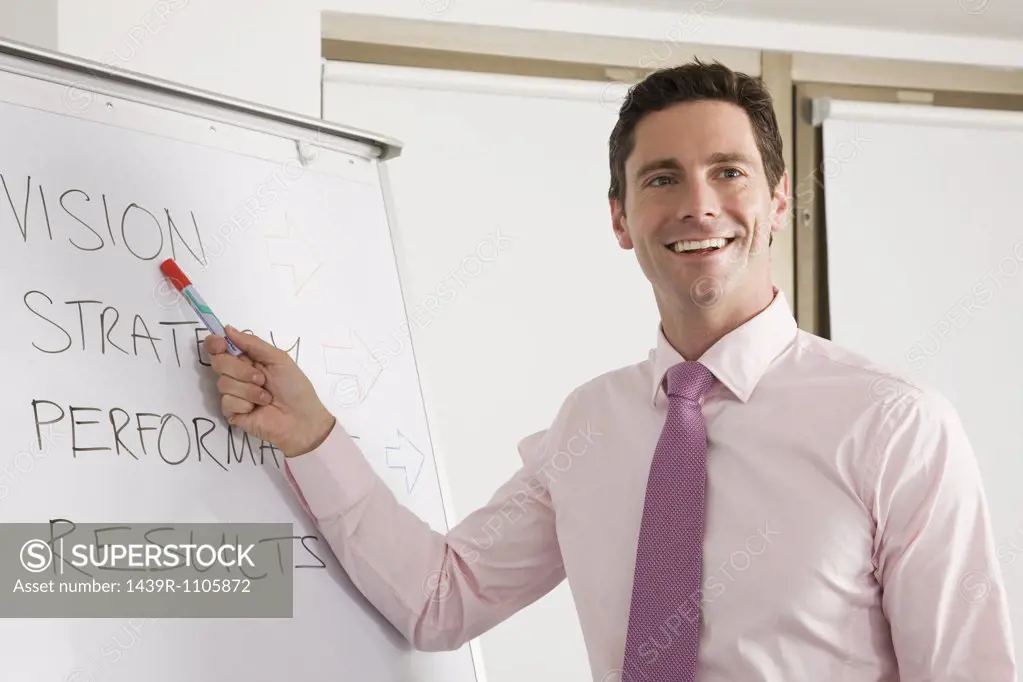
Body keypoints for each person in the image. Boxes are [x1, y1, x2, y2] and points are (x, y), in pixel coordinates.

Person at [202, 60, 1016, 681]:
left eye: (727, 172)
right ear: (621, 219)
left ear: (776, 201)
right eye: (661, 178)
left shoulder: (894, 426)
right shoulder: (589, 425)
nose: (697, 203)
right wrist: (312, 437)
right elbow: (438, 600)